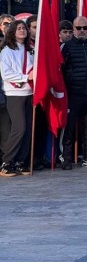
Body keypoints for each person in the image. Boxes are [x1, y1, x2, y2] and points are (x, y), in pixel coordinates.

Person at [60, 16, 87, 169]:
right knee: (69, 128)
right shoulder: (67, 47)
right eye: (78, 28)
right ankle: (67, 158)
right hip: (73, 94)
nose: (82, 31)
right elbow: (61, 69)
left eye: (85, 28)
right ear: (74, 29)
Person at [0, 20, 34, 176]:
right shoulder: (6, 51)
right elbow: (6, 74)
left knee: (28, 129)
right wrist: (26, 77)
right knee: (19, 128)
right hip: (14, 94)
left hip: (29, 93)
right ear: (12, 32)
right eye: (19, 28)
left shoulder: (31, 50)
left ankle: (21, 161)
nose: (22, 30)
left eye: (24, 28)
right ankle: (7, 161)